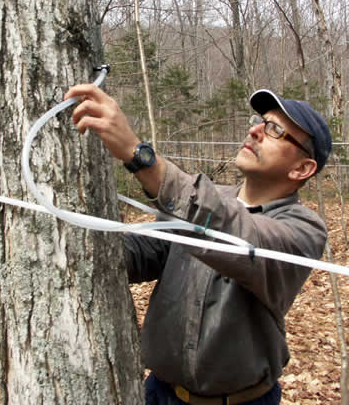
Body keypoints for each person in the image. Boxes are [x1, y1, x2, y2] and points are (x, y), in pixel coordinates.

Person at [65, 85, 332, 405]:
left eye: (275, 129)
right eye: (260, 121)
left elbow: (238, 235)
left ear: (301, 168)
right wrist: (83, 238)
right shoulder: (209, 198)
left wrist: (139, 156)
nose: (255, 130)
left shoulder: (304, 230)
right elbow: (146, 251)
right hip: (159, 394)